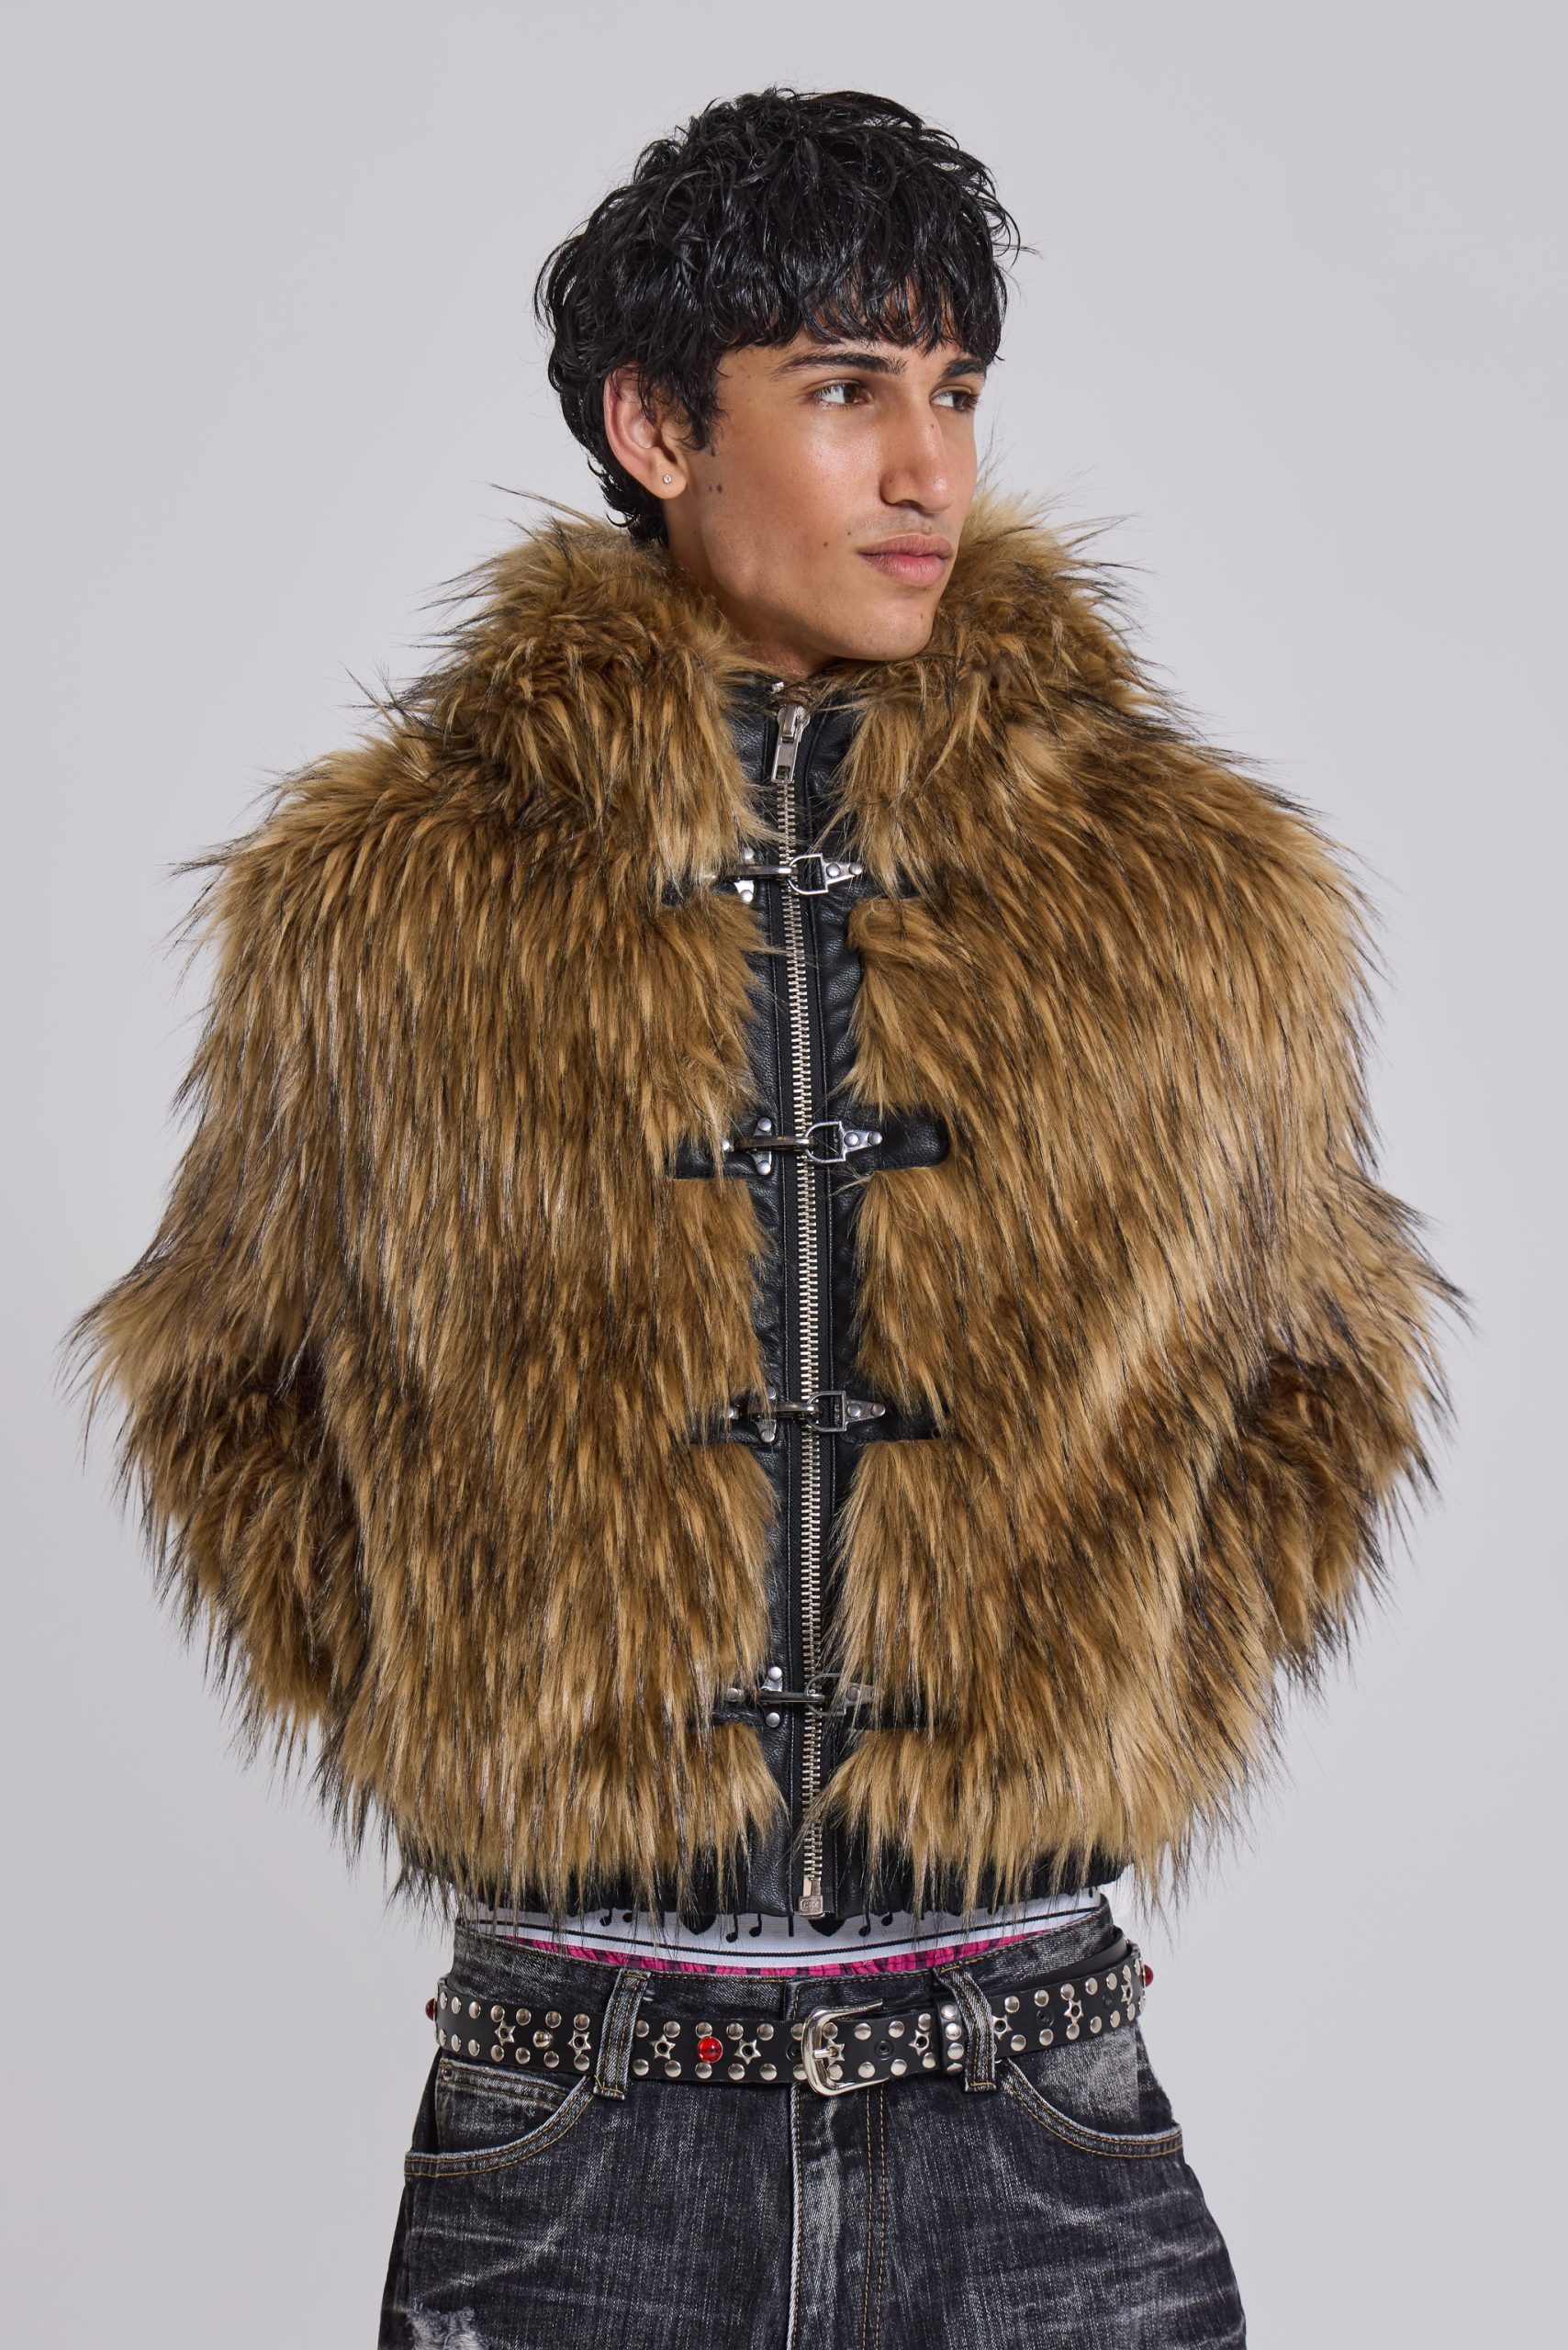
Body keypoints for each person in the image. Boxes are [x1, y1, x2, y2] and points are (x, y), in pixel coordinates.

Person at [65, 85, 1454, 2348]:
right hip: (575, 2106)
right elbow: (231, 1381)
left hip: (1028, 2088)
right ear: (651, 427)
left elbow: (1328, 1372)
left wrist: (1097, 1703)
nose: (926, 471)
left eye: (955, 392)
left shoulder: (1189, 893)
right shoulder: (381, 905)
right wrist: (485, 1712)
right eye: (841, 390)